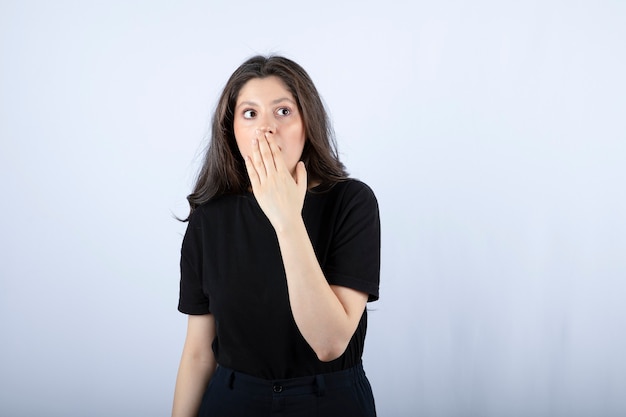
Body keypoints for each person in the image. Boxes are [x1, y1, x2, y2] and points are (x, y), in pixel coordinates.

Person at [171, 55, 380, 417]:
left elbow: (329, 342)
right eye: (250, 114)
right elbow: (198, 353)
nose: (265, 129)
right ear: (231, 131)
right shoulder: (210, 218)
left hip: (329, 401)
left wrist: (286, 218)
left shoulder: (352, 202)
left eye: (282, 111)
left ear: (307, 123)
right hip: (233, 400)